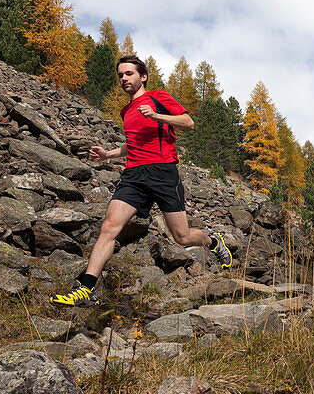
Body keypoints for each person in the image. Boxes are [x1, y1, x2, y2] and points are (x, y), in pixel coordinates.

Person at [50, 55, 233, 307]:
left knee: (181, 237)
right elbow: (133, 143)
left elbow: (188, 122)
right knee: (109, 228)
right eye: (121, 75)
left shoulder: (158, 97)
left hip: (163, 172)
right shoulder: (125, 110)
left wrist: (157, 116)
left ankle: (213, 241)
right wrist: (108, 154)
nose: (124, 78)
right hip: (134, 175)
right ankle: (87, 290)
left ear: (142, 76)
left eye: (129, 74)